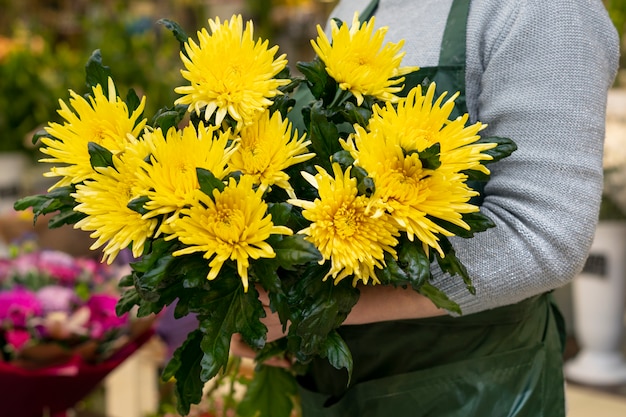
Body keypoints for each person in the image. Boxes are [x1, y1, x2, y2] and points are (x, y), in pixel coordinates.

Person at [231, 0, 620, 416]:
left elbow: (543, 239)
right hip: (337, 392)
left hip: (474, 390)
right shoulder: (356, 7)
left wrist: (314, 308)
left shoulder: (545, 10)